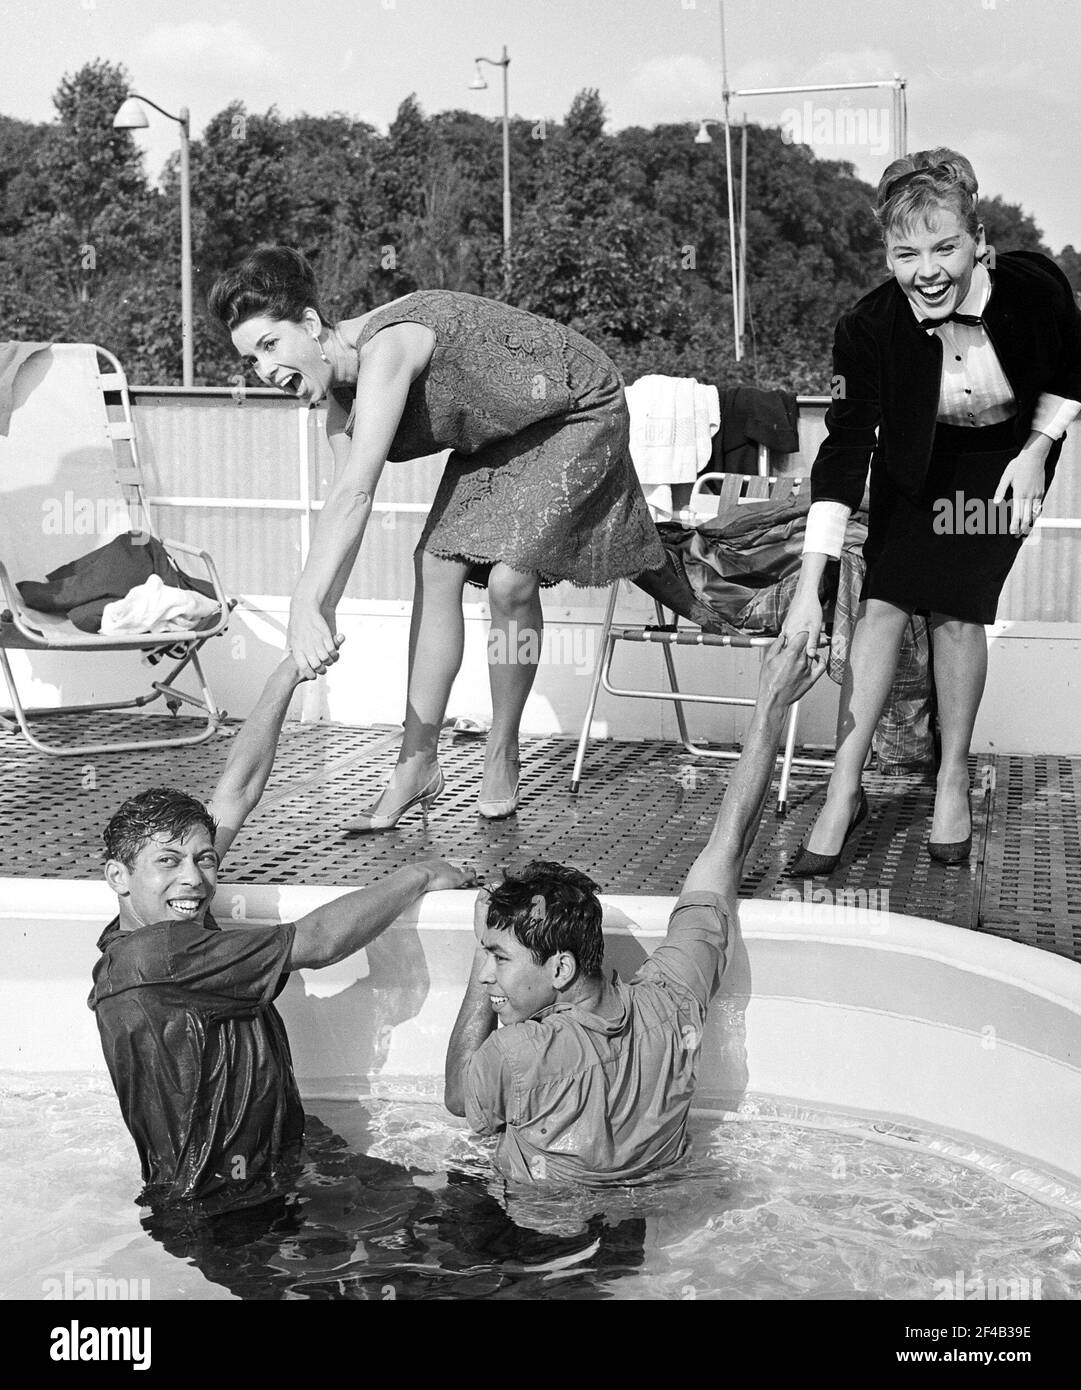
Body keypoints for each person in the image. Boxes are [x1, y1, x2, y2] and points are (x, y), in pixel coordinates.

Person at [207, 249, 666, 828]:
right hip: (501, 433)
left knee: (510, 579)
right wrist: (316, 613)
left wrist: (304, 605)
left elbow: (358, 493)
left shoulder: (388, 346)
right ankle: (416, 763)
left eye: (269, 346)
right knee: (436, 563)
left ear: (310, 324)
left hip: (576, 408)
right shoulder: (338, 411)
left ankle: (502, 748)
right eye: (250, 361)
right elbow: (344, 514)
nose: (265, 371)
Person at [89, 652, 474, 1215]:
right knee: (462, 1233)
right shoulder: (164, 952)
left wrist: (288, 673)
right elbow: (317, 943)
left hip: (276, 1161)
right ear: (118, 878)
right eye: (169, 861)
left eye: (204, 858)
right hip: (230, 1206)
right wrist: (418, 874)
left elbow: (236, 791)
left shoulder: (160, 919)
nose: (194, 878)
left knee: (454, 1218)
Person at [782, 148, 1081, 873]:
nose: (928, 270)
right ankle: (842, 789)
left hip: (1005, 464)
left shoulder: (1033, 286)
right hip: (918, 467)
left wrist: (1037, 450)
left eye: (945, 247)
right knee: (881, 603)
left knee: (955, 608)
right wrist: (806, 585)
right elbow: (845, 451)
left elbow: (1075, 369)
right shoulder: (868, 327)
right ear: (886, 254)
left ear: (978, 240)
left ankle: (950, 779)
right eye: (905, 253)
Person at [443, 630, 825, 1185]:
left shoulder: (519, 1052)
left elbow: (458, 1095)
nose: (495, 978)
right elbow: (728, 847)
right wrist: (770, 702)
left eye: (501, 959)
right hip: (637, 1230)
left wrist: (480, 962)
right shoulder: (672, 1002)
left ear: (561, 968)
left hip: (531, 1240)